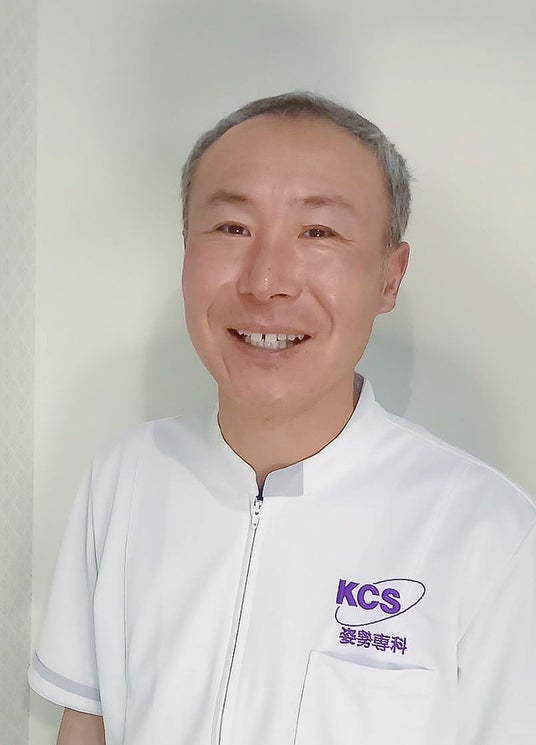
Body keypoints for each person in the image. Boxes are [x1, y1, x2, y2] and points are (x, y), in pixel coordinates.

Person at [28, 92, 536, 745]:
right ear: (186, 252)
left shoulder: (491, 535)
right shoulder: (125, 478)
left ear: (390, 277)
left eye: (317, 232)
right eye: (232, 228)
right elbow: (86, 724)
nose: (266, 281)